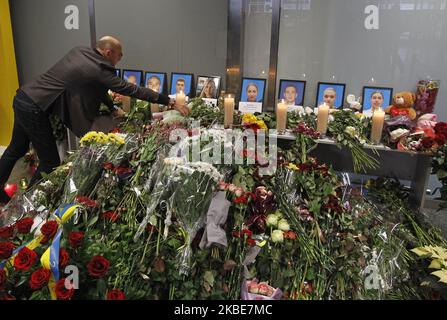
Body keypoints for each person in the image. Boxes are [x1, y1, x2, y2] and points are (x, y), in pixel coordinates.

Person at [0, 36, 188, 204]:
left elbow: (97, 85)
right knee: (50, 163)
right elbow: (131, 89)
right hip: (35, 107)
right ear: (108, 52)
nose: (120, 59)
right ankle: (26, 206)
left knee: (16, 148)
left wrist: (112, 106)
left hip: (24, 96)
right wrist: (169, 101)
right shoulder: (98, 69)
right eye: (119, 55)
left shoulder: (80, 51)